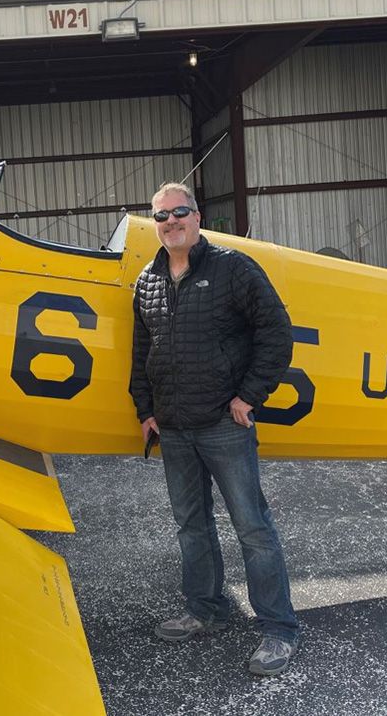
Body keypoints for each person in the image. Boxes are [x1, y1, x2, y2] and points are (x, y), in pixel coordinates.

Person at [130, 181, 300, 677]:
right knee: (191, 527)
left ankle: (278, 628)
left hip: (225, 424)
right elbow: (143, 355)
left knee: (253, 528)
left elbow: (276, 331)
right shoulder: (148, 280)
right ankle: (206, 610)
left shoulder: (233, 268)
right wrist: (146, 410)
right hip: (175, 428)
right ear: (154, 223)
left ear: (198, 217)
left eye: (179, 212)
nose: (171, 222)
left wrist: (250, 396)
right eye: (161, 215)